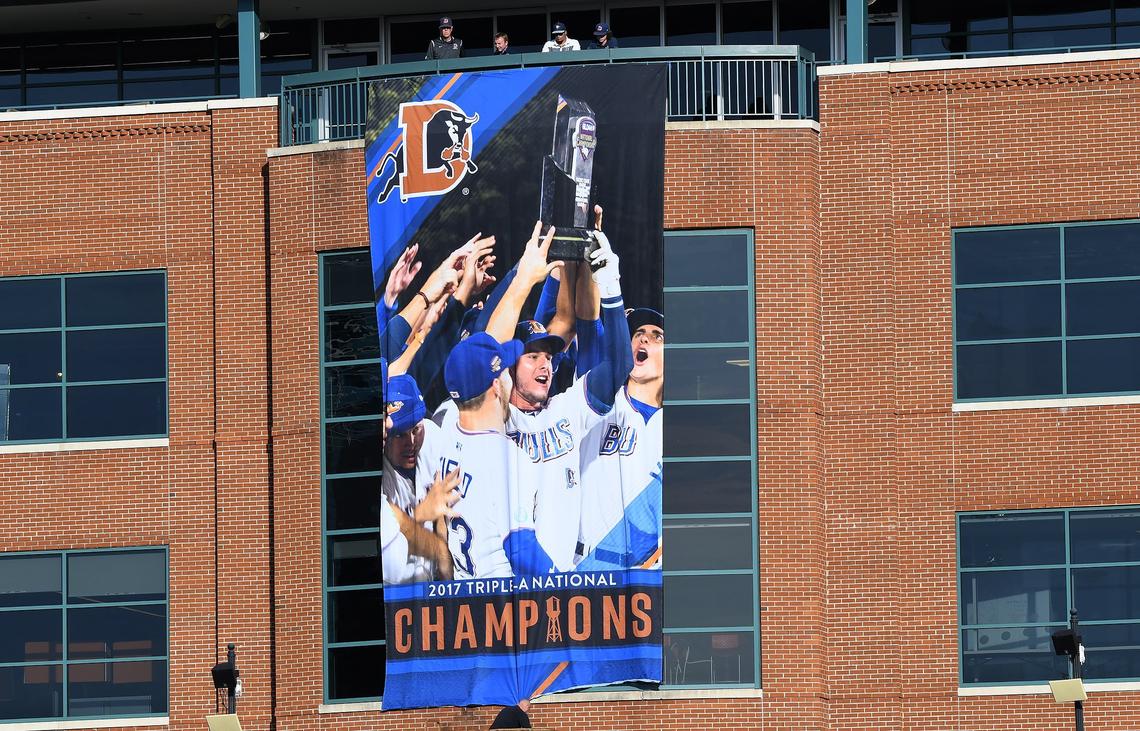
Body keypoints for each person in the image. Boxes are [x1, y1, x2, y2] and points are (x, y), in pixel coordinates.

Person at [438, 332, 555, 579]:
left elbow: (441, 529)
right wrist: (568, 587)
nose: (509, 377)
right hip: (502, 603)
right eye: (505, 373)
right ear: (495, 386)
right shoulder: (507, 458)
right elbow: (521, 550)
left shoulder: (445, 435)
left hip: (466, 598)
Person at [575, 307, 664, 571]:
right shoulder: (601, 401)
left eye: (657, 335)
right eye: (637, 333)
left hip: (646, 575)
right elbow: (588, 324)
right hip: (590, 565)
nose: (644, 338)